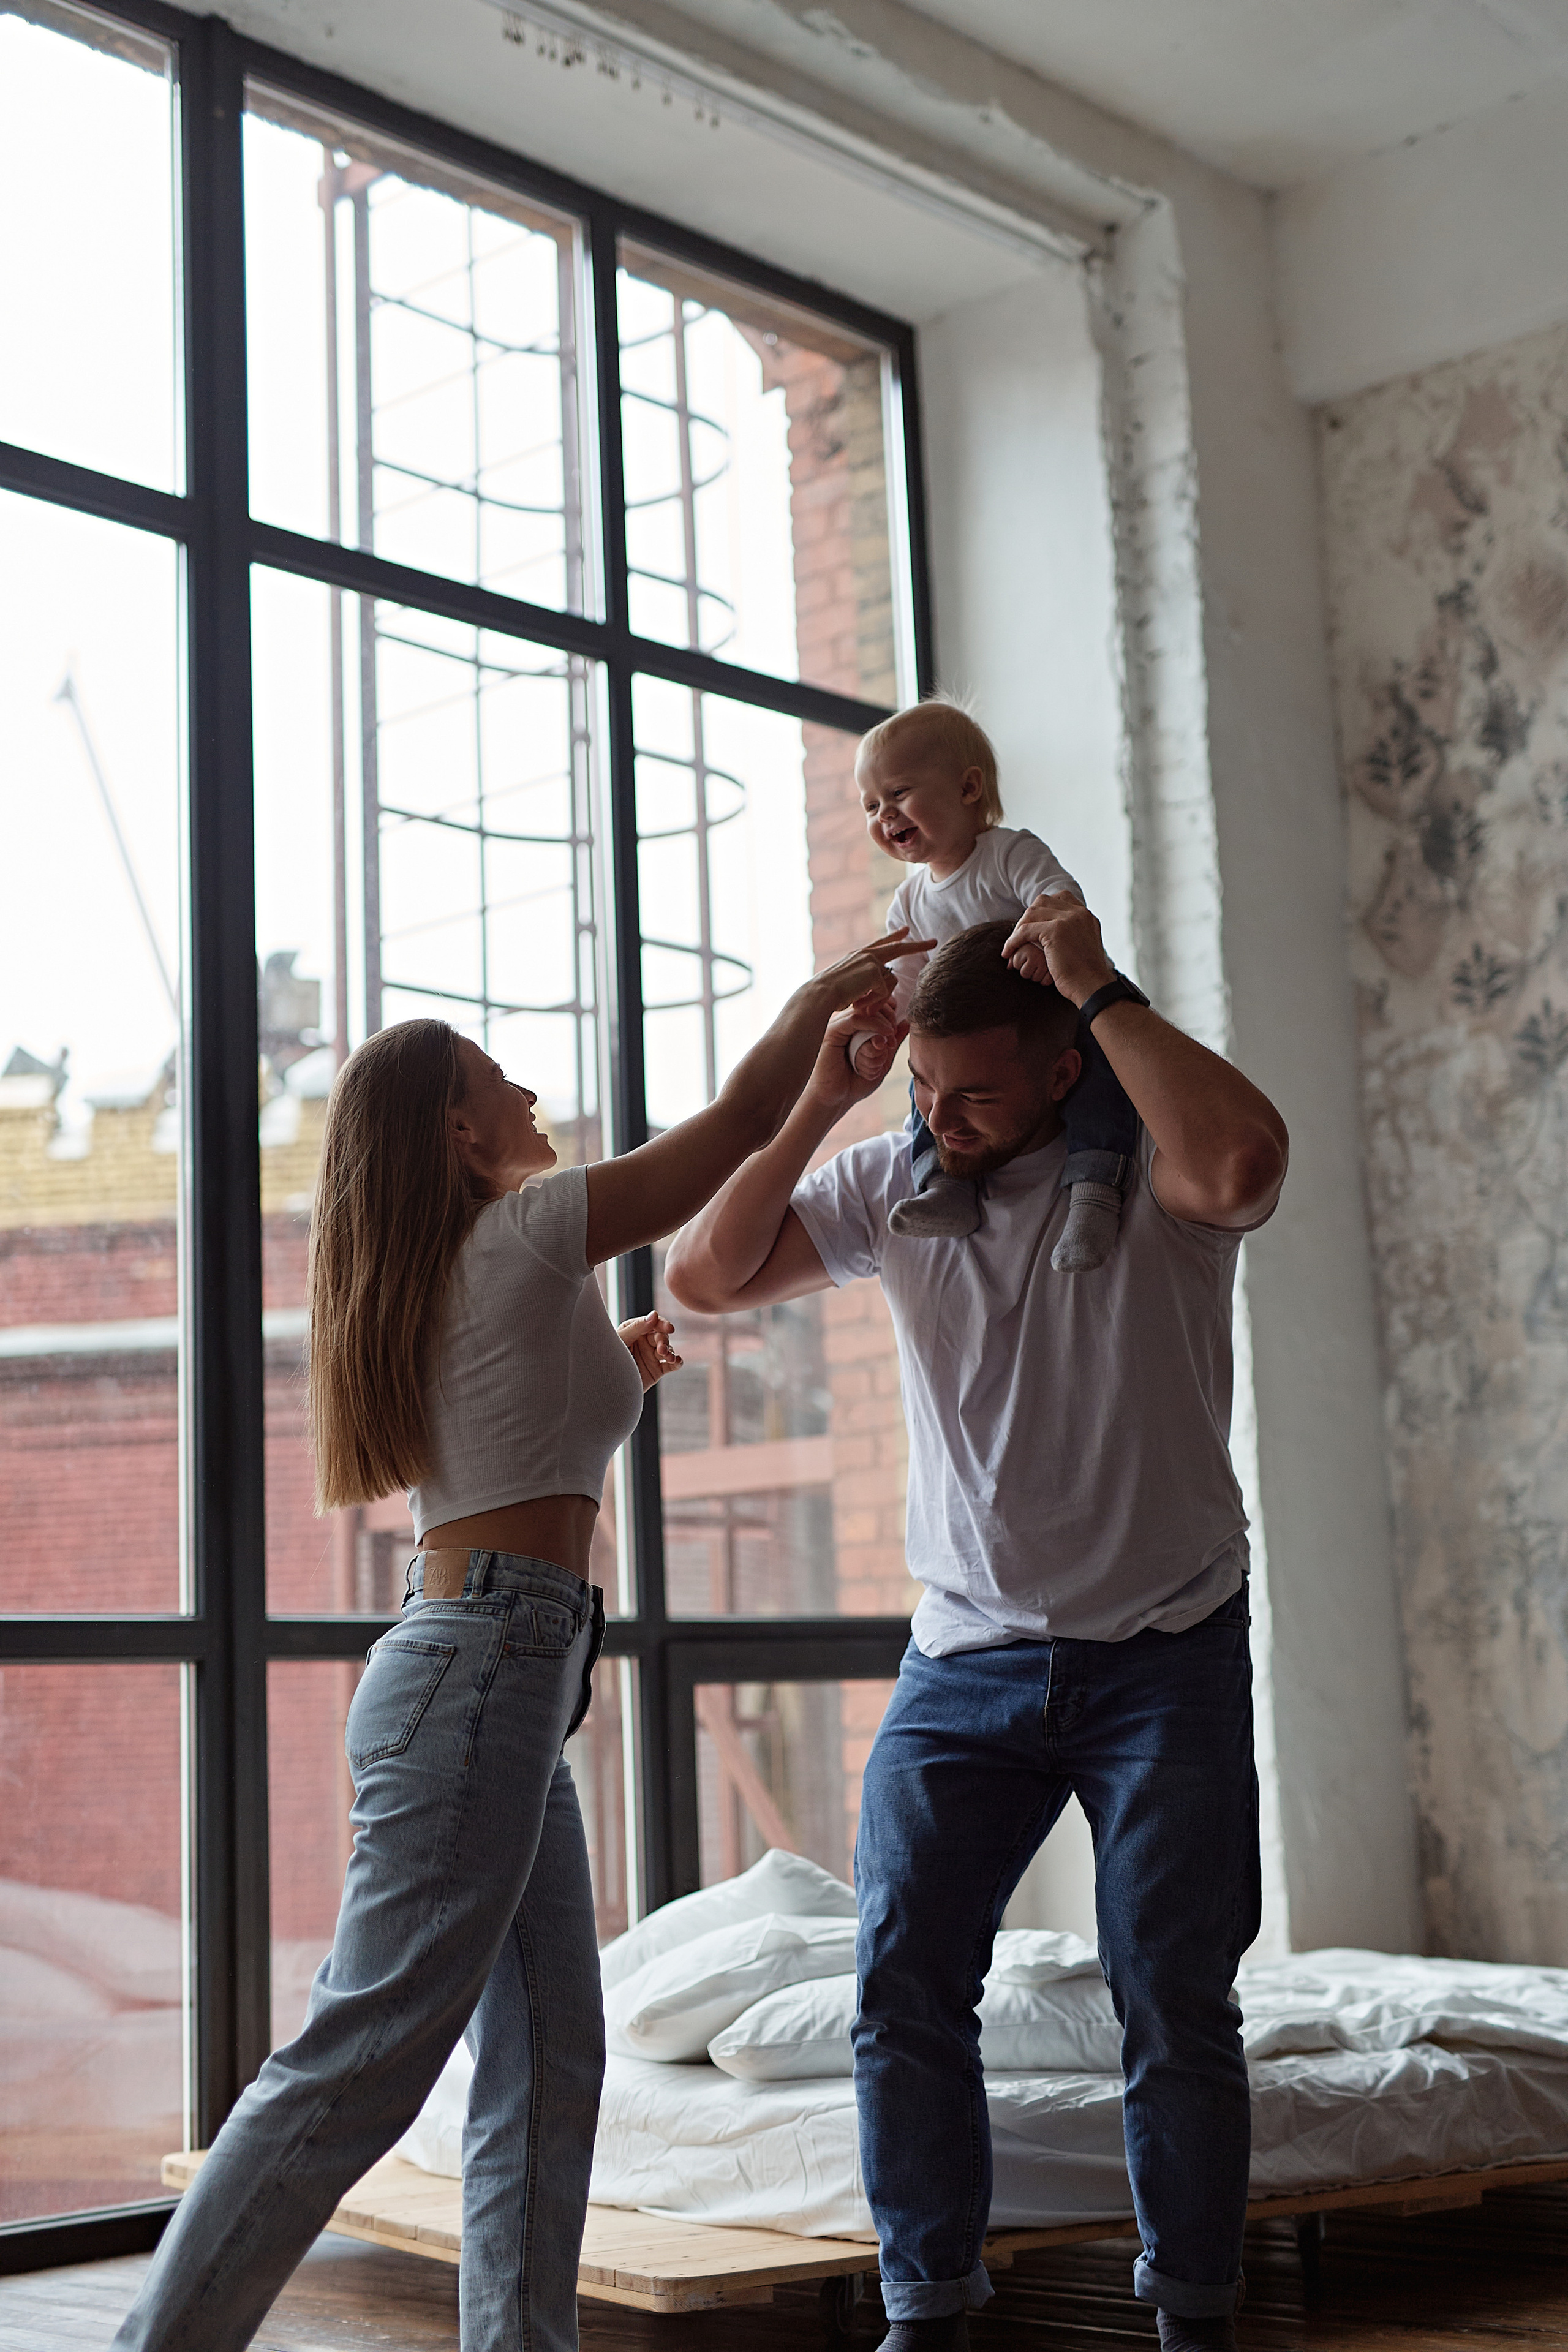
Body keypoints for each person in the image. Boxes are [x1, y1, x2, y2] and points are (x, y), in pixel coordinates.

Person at [110, 924, 928, 2352]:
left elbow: (535, 1424)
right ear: (456, 1127)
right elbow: (722, 1131)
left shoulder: (462, 1272)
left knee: (550, 2050)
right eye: (501, 1078)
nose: (532, 1092)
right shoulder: (524, 1231)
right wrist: (810, 1028)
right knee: (359, 2058)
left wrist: (633, 1359)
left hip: (498, 1674)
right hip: (483, 1668)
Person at [665, 899, 1289, 2352]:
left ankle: (1192, 2318)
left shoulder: (1154, 1175)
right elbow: (702, 1274)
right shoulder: (894, 1178)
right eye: (922, 1088)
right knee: (900, 1984)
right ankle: (927, 2309)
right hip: (961, 1660)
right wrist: (823, 1099)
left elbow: (1247, 1163)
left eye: (977, 1095)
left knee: (1171, 1995)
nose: (940, 1119)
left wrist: (1096, 983)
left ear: (1066, 1068)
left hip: (1165, 1652)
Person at [848, 696, 1143, 1268]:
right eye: (871, 805)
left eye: (899, 793)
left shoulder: (1007, 854)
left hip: (1051, 1016)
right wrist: (881, 1023)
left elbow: (1060, 899)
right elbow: (907, 981)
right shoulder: (908, 901)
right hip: (973, 1046)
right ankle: (945, 1188)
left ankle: (1095, 1192)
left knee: (1102, 1083)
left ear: (968, 788)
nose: (885, 814)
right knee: (927, 1096)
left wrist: (1039, 941)